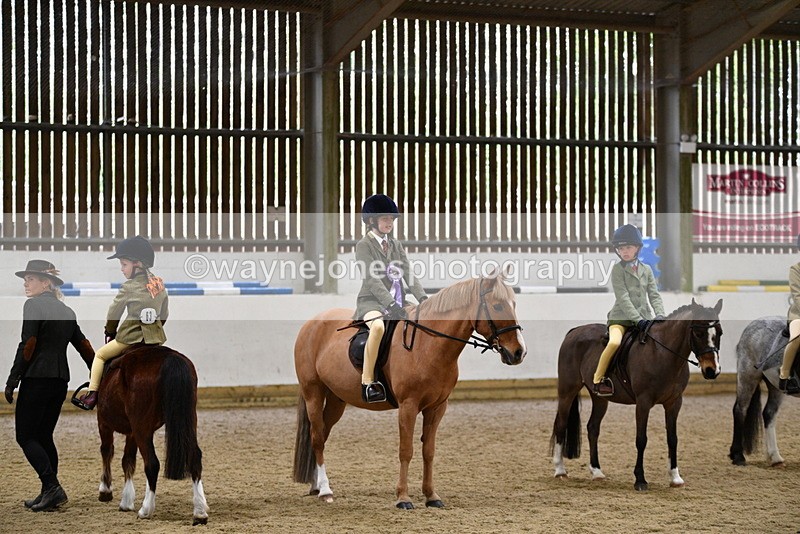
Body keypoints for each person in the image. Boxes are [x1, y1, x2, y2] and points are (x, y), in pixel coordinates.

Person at [5, 260, 95, 511]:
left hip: (37, 379)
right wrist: (99, 373)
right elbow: (84, 346)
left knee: (25, 436)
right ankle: (48, 492)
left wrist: (13, 379)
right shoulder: (67, 312)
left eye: (30, 279)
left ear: (46, 283)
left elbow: (28, 344)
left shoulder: (32, 305)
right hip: (59, 381)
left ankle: (52, 487)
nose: (26, 283)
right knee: (44, 436)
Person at [77, 236, 168, 410]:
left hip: (129, 338)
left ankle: (92, 394)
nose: (121, 269)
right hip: (155, 339)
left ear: (138, 264)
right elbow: (164, 312)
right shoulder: (158, 284)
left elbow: (114, 312)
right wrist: (154, 330)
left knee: (100, 356)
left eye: (124, 264)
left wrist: (110, 331)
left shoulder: (128, 287)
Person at [354, 194, 427, 403]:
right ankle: (368, 382)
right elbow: (371, 279)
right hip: (372, 301)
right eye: (385, 219)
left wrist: (423, 298)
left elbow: (408, 273)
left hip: (399, 300)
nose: (390, 223)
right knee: (377, 328)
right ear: (372, 220)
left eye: (392, 219)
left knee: (420, 322)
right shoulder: (364, 245)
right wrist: (390, 304)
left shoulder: (395, 244)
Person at [592, 224, 665, 396]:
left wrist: (660, 313)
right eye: (621, 248)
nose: (624, 251)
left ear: (637, 248)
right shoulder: (617, 270)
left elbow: (654, 295)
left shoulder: (646, 270)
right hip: (621, 319)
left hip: (645, 318)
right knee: (614, 343)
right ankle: (598, 379)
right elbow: (623, 298)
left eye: (628, 247)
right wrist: (638, 319)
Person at [779, 234, 800, 394]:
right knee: (796, 338)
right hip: (798, 315)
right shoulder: (796, 269)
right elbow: (797, 296)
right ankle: (785, 375)